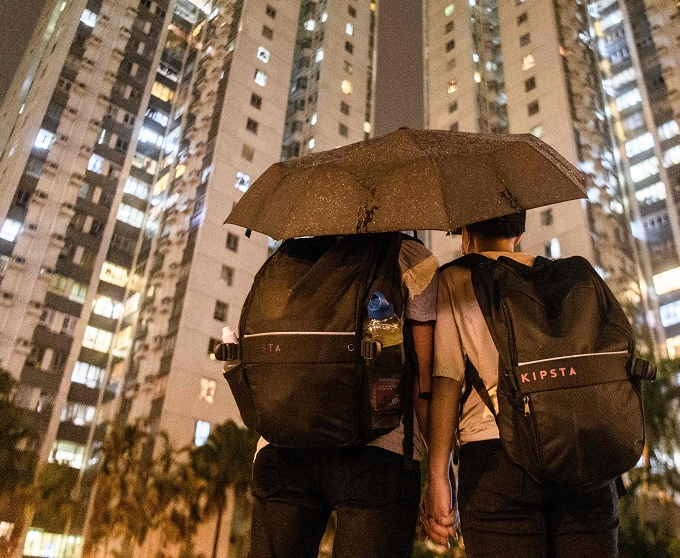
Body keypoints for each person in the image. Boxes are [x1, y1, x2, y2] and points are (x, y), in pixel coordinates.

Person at [424, 213, 619, 557]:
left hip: (497, 460)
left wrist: (438, 473)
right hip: (582, 456)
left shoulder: (455, 279)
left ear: (465, 231)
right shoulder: (569, 278)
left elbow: (446, 380)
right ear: (520, 230)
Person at [250, 234, 438, 558]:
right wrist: (438, 471)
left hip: (282, 447)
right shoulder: (412, 256)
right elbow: (423, 380)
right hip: (379, 453)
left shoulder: (290, 255)